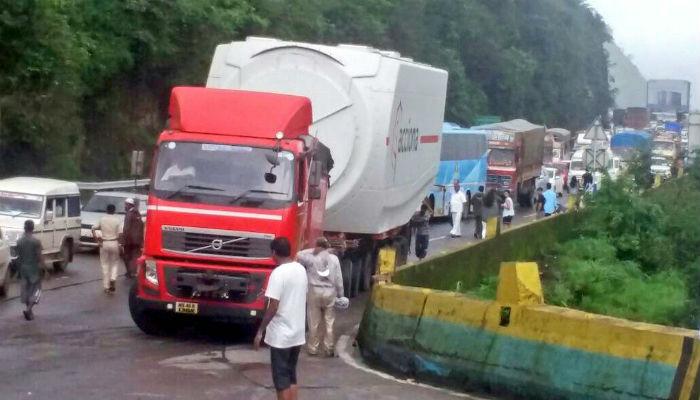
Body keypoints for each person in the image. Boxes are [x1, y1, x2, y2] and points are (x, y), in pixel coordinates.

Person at [254, 237, 307, 400]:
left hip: (281, 336)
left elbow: (273, 306)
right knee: (291, 375)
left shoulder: (278, 273)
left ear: (274, 253)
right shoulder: (300, 269)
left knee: (280, 379)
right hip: (297, 332)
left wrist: (260, 331)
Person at [296, 237, 343, 357]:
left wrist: (314, 249)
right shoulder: (334, 259)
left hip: (314, 291)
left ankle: (313, 348)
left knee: (314, 321)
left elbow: (298, 254)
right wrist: (341, 295)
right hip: (330, 292)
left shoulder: (311, 257)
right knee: (329, 321)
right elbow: (338, 279)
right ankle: (329, 348)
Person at [16, 220, 44, 321]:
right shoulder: (36, 242)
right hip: (34, 269)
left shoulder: (19, 241)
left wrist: (18, 270)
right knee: (36, 290)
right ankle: (28, 310)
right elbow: (39, 256)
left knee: (27, 291)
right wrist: (45, 269)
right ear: (33, 228)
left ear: (24, 228)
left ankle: (29, 311)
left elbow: (18, 257)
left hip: (23, 269)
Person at [92, 204, 122, 294]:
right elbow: (120, 233)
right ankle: (113, 278)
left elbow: (93, 228)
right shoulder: (117, 220)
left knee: (104, 264)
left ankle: (106, 286)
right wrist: (120, 244)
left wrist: (97, 240)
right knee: (115, 263)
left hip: (104, 243)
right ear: (114, 210)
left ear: (106, 210)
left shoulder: (102, 219)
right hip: (114, 242)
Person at [122, 198, 144, 278]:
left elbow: (126, 228)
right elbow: (141, 226)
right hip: (137, 240)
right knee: (135, 256)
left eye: (125, 204)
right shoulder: (137, 213)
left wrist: (123, 240)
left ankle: (129, 272)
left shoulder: (129, 214)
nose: (124, 206)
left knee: (126, 256)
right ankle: (134, 272)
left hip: (129, 240)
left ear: (129, 205)